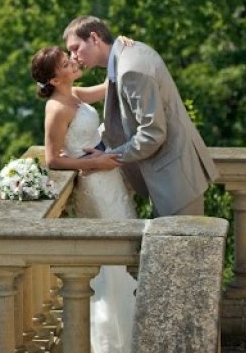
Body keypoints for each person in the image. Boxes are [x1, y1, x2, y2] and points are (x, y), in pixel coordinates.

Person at [30, 45, 137, 353]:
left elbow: (111, 86)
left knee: (125, 260)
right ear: (52, 78)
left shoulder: (75, 93)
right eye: (65, 62)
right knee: (112, 266)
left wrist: (120, 51)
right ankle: (119, 352)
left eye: (69, 57)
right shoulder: (56, 108)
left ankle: (136, 340)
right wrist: (93, 163)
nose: (72, 62)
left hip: (111, 181)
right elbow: (52, 160)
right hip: (94, 187)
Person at [63, 15, 218, 217]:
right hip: (170, 174)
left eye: (75, 48)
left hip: (176, 181)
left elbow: (153, 133)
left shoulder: (130, 69)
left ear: (94, 38)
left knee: (180, 247)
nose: (73, 56)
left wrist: (110, 158)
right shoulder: (125, 56)